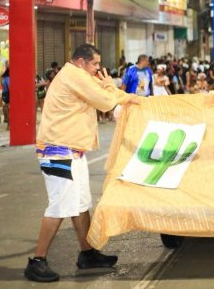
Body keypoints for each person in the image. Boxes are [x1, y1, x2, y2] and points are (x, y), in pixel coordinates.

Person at [25, 44, 140, 283]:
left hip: (71, 151)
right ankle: (37, 260)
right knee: (58, 207)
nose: (98, 68)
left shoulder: (78, 76)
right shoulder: (74, 76)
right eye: (95, 64)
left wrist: (127, 97)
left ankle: (87, 253)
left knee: (79, 204)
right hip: (59, 152)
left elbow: (108, 94)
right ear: (80, 61)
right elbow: (105, 100)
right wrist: (111, 88)